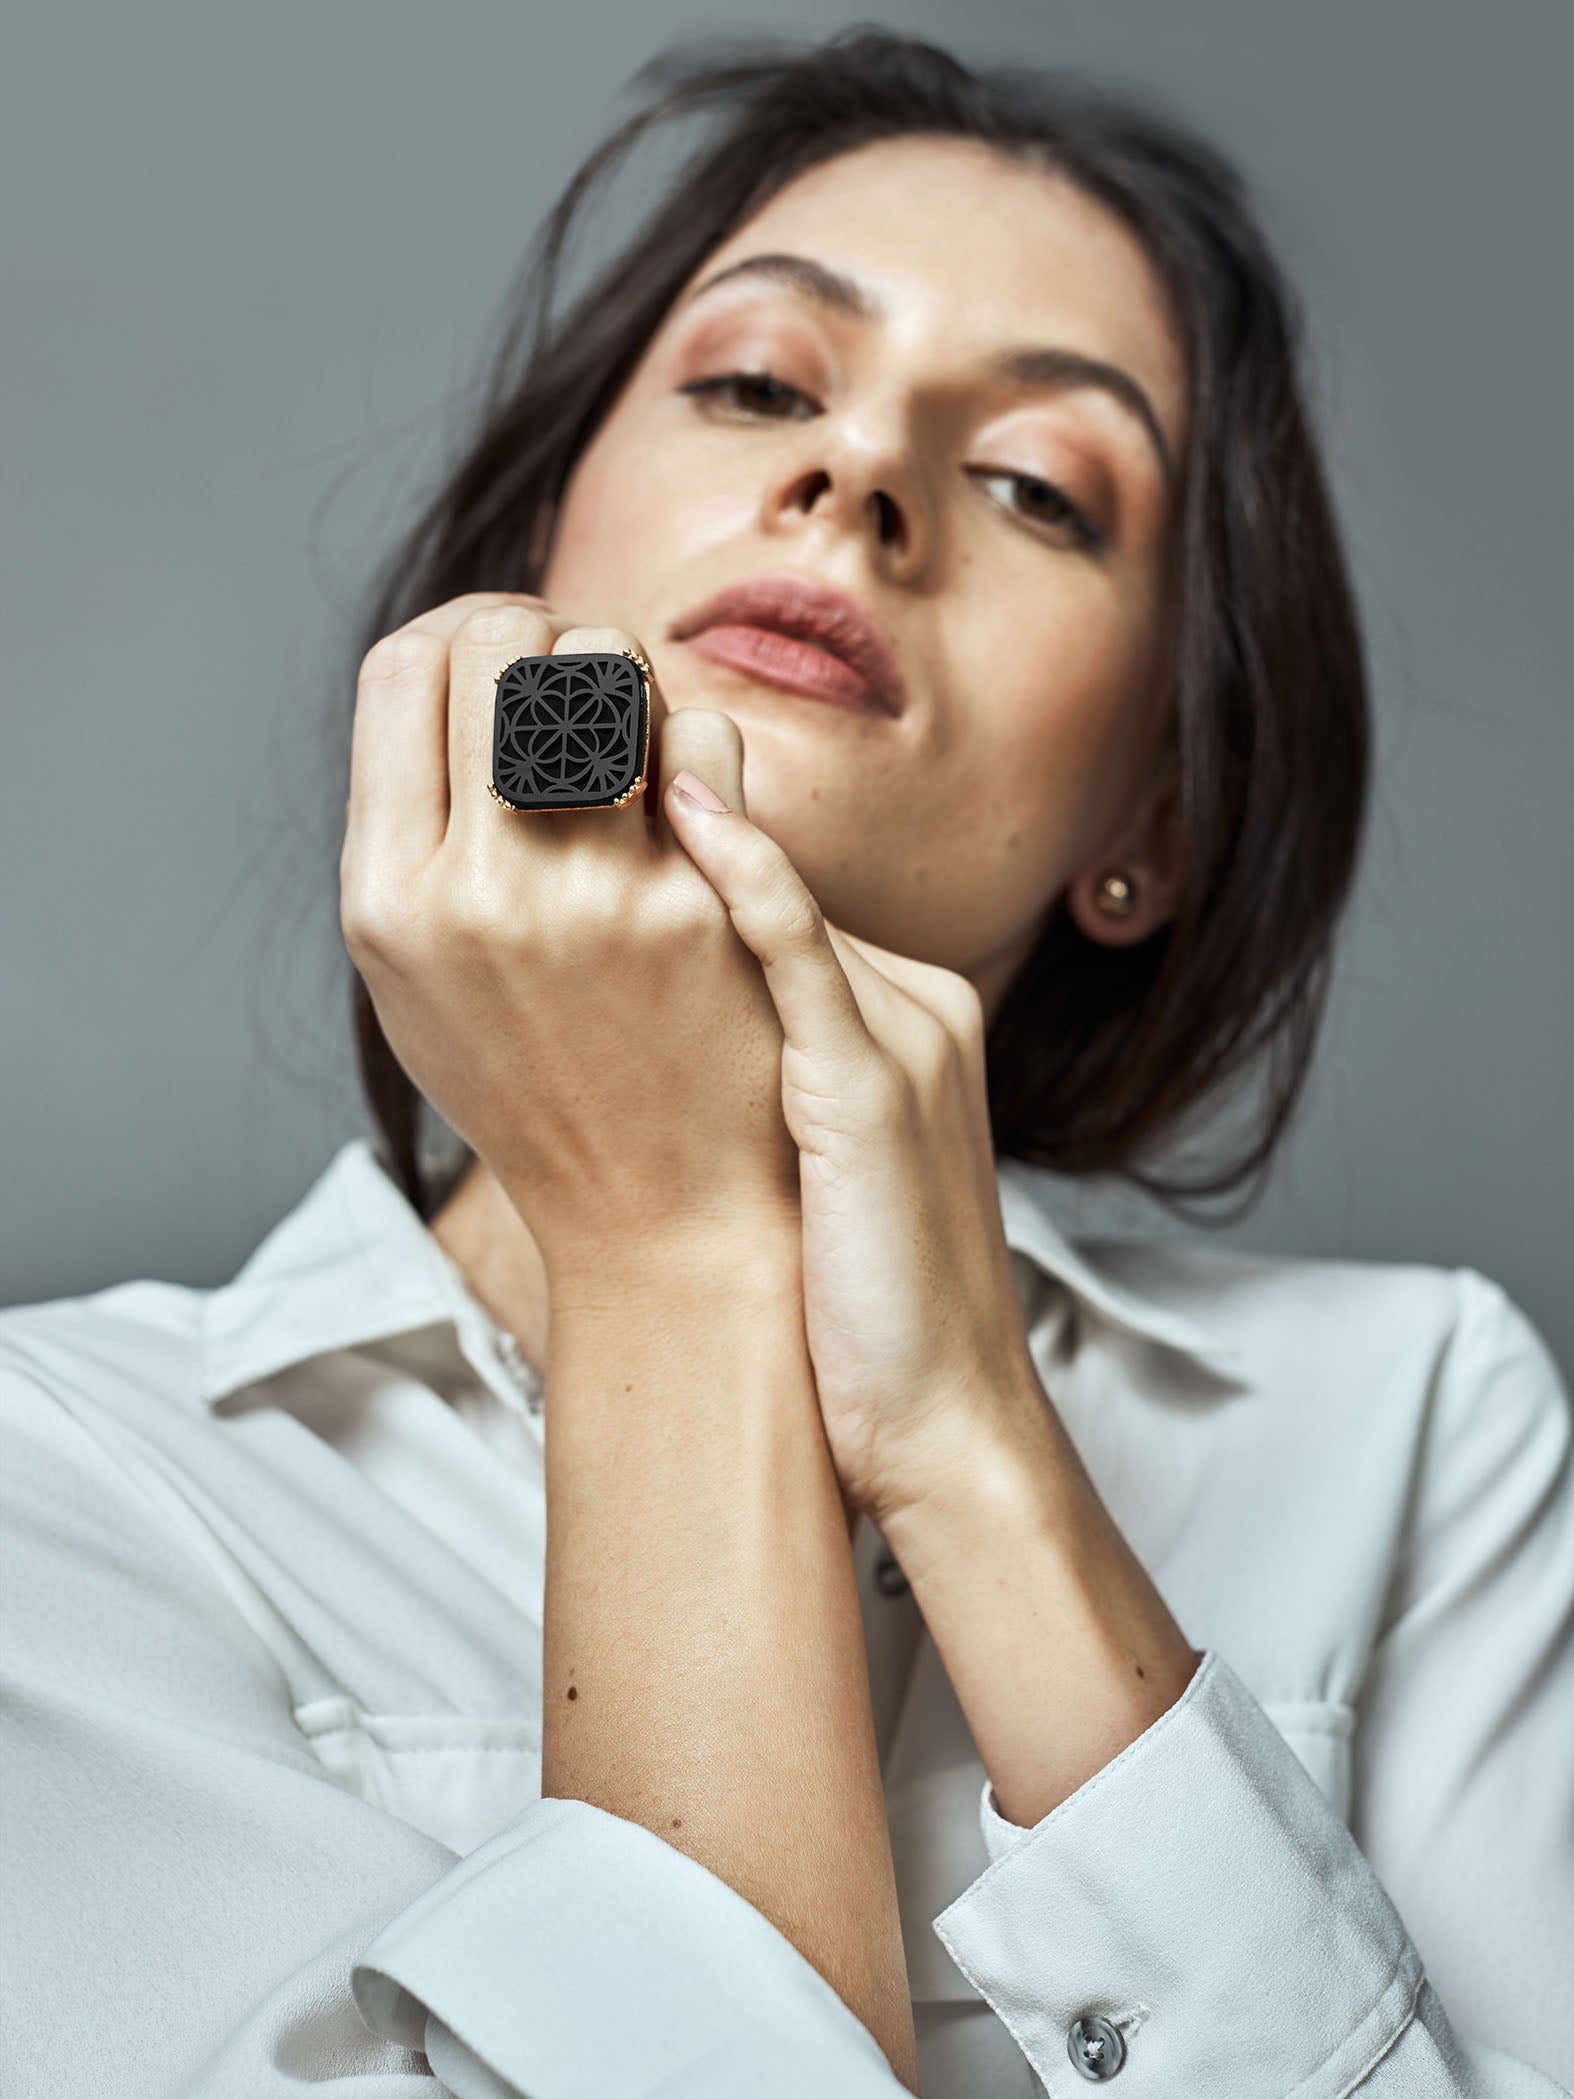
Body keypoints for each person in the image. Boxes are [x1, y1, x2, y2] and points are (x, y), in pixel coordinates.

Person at [2, 24, 1570, 2099]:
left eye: (1036, 483)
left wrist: (984, 1462)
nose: (856, 477)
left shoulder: (1409, 1429)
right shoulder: (56, 1488)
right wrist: (679, 1243)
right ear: (538, 570)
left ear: (1154, 823)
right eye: (753, 384)